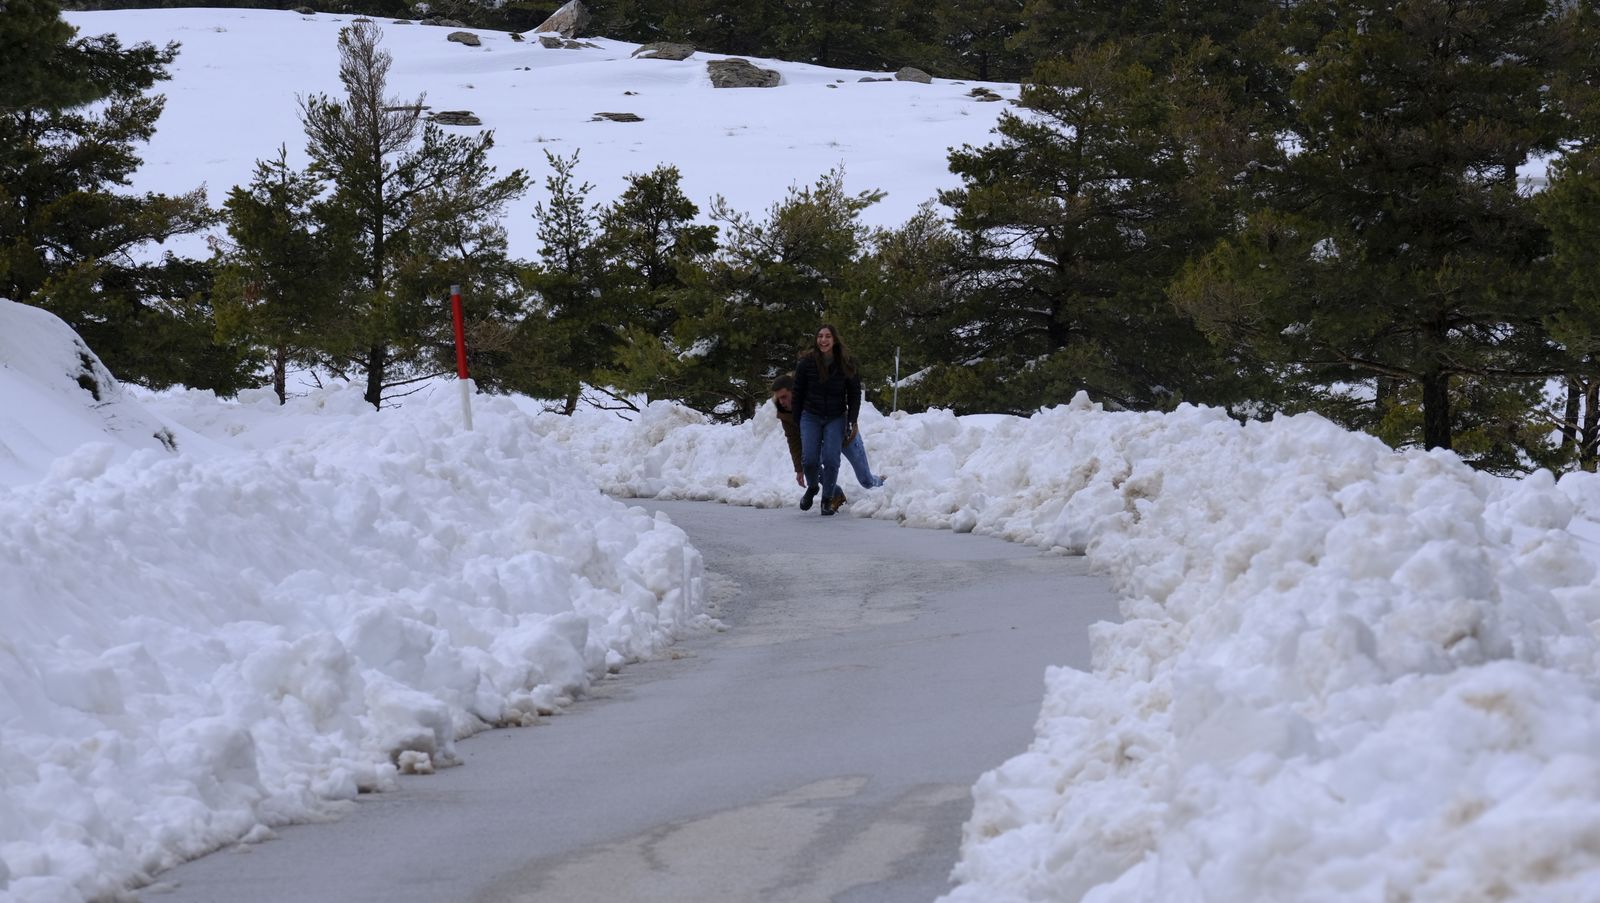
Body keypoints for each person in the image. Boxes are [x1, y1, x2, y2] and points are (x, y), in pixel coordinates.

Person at [771, 373, 884, 513]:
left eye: (784, 397)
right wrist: (799, 468)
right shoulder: (784, 412)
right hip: (820, 441)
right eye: (778, 398)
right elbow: (793, 439)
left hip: (845, 437)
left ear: (794, 391)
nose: (781, 402)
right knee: (811, 464)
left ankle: (883, 484)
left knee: (866, 481)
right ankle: (835, 493)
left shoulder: (813, 396)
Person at [791, 324, 863, 517]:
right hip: (810, 416)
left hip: (836, 416)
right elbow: (797, 393)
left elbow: (855, 394)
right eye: (820, 336)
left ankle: (827, 499)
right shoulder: (806, 363)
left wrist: (852, 420)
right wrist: (797, 419)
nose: (823, 340)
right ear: (816, 339)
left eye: (828, 336)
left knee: (831, 459)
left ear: (835, 339)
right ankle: (813, 487)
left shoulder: (846, 363)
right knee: (810, 460)